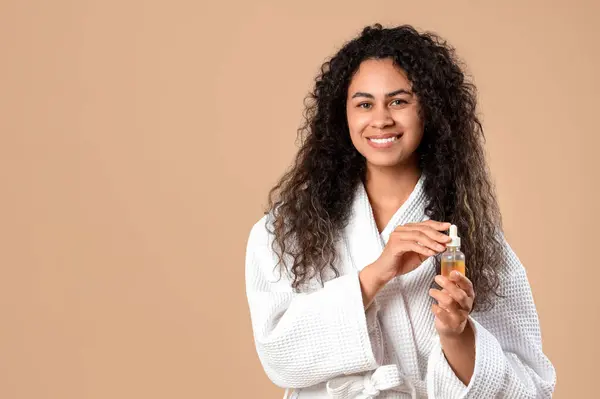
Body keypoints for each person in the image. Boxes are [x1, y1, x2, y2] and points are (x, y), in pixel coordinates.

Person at [244, 23, 556, 398]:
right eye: (364, 104)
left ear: (430, 111)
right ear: (341, 116)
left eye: (399, 101)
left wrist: (457, 334)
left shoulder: (472, 238)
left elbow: (532, 389)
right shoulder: (287, 230)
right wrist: (377, 273)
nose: (381, 120)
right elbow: (279, 356)